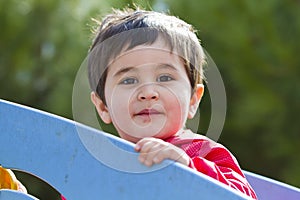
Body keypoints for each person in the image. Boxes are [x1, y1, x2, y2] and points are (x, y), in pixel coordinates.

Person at [88, 7, 257, 199]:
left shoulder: (202, 152)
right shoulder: (98, 167)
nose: (148, 93)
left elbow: (242, 196)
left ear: (193, 100)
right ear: (103, 106)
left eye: (165, 77)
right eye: (129, 80)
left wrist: (188, 169)